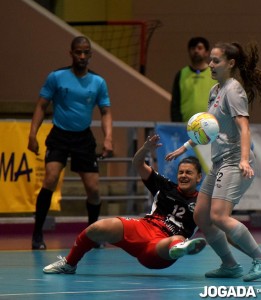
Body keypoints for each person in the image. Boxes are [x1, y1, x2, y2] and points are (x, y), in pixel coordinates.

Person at [166, 41, 261, 282]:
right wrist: (184, 147)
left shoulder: (234, 90)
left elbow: (244, 128)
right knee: (202, 217)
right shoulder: (215, 91)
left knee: (219, 215)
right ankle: (230, 265)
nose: (210, 65)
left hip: (235, 160)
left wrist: (245, 160)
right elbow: (208, 128)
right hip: (219, 162)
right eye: (210, 60)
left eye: (216, 61)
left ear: (231, 63)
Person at [42, 135, 206, 274]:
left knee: (176, 240)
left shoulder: (203, 202)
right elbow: (137, 164)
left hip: (161, 246)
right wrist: (145, 149)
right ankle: (69, 264)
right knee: (97, 228)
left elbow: (219, 223)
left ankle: (181, 248)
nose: (183, 176)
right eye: (181, 172)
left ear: (199, 177)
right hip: (143, 228)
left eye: (189, 173)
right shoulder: (165, 187)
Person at [28, 36, 113, 250]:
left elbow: (105, 112)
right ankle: (37, 235)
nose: (82, 56)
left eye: (86, 53)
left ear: (90, 55)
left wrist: (108, 138)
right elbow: (41, 106)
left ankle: (92, 234)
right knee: (50, 178)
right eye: (78, 52)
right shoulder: (56, 77)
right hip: (59, 135)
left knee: (93, 189)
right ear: (71, 53)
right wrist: (32, 134)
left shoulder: (98, 82)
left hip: (83, 138)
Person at [170, 37, 217, 122]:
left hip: (211, 127)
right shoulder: (181, 74)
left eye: (199, 48)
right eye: (193, 48)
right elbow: (175, 104)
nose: (196, 51)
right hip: (185, 127)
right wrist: (177, 124)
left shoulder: (215, 73)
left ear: (206, 52)